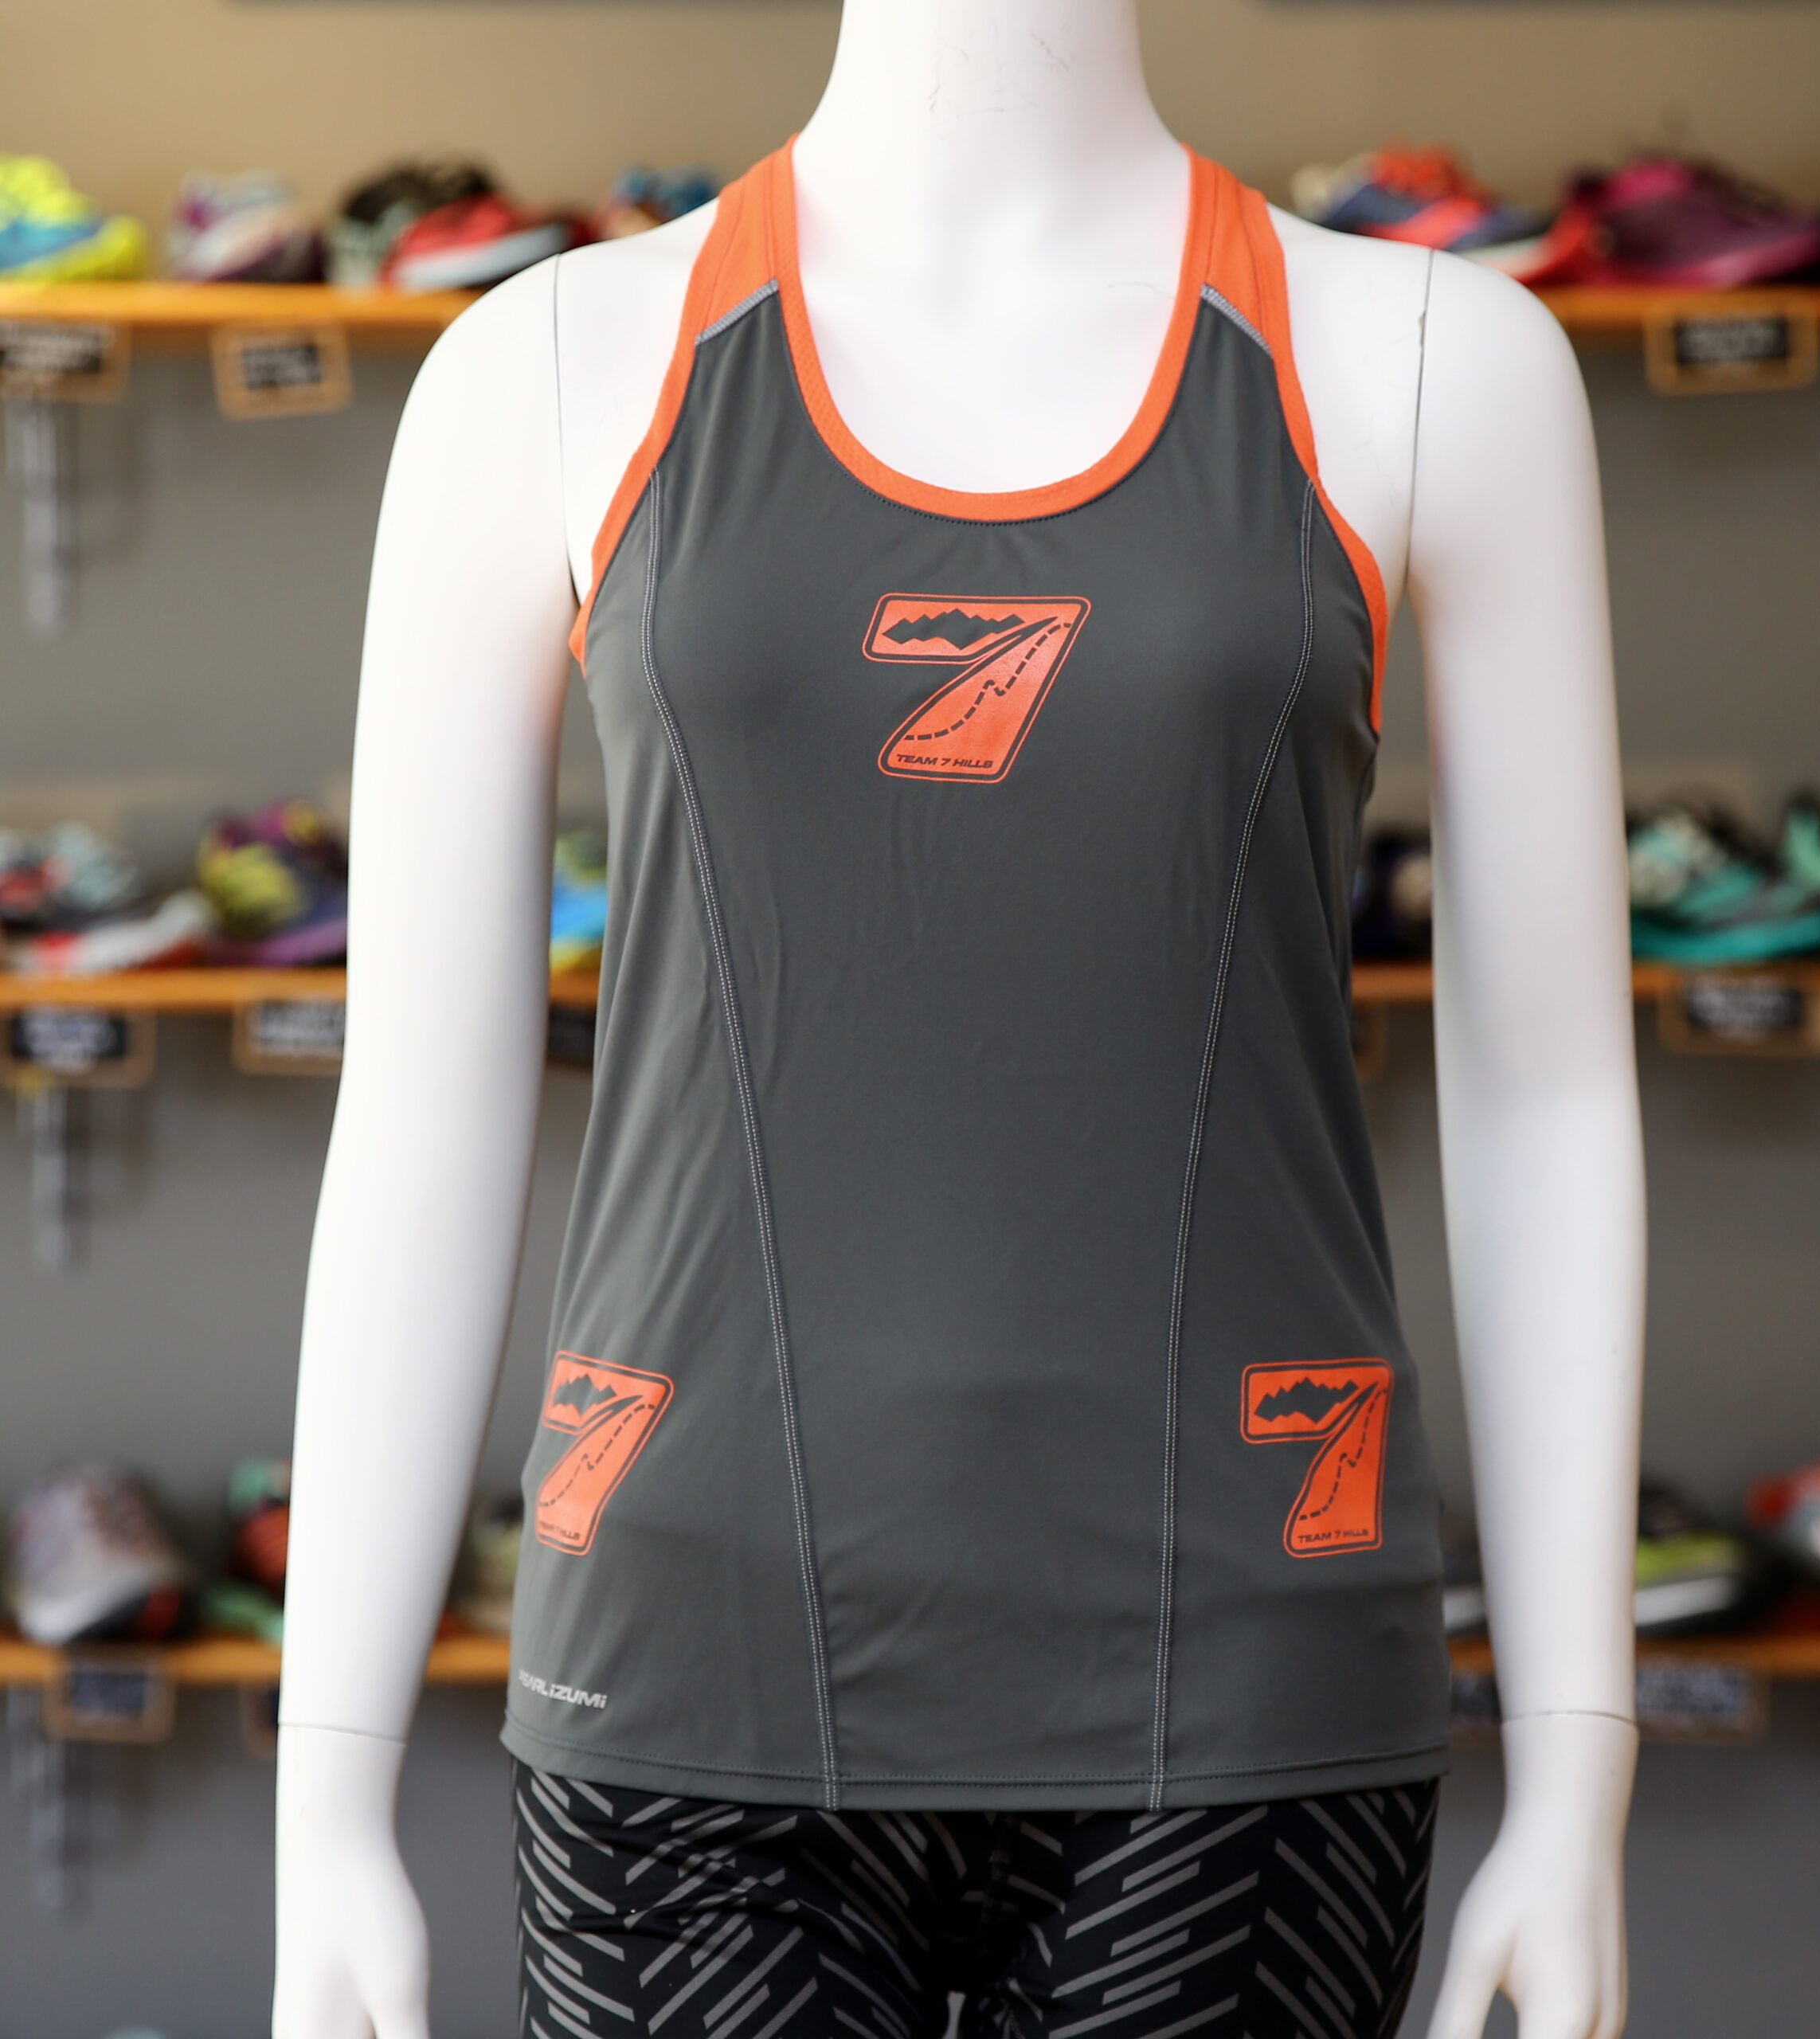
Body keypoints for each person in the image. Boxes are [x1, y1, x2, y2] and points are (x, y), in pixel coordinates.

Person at [274, 5, 1645, 2037]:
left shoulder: (1439, 358)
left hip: (1247, 1686)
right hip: (681, 1673)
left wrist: (1580, 1757)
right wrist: (326, 1788)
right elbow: (413, 1110)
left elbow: (1545, 1098)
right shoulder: (543, 366)